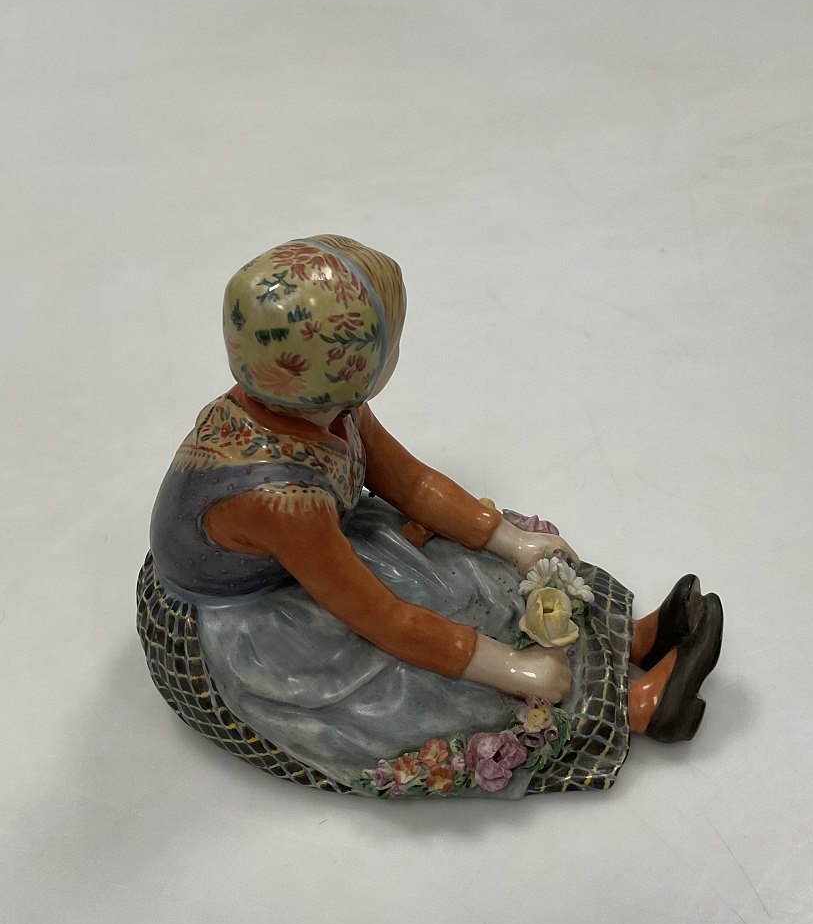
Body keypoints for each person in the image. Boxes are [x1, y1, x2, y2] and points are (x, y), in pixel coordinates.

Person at [137, 235, 722, 798]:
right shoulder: (280, 500)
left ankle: (626, 642)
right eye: (390, 345)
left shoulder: (328, 409)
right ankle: (633, 708)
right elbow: (384, 620)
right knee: (407, 689)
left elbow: (411, 482)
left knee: (465, 575)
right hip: (257, 618)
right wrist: (513, 669)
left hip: (319, 549)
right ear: (353, 367)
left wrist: (509, 541)